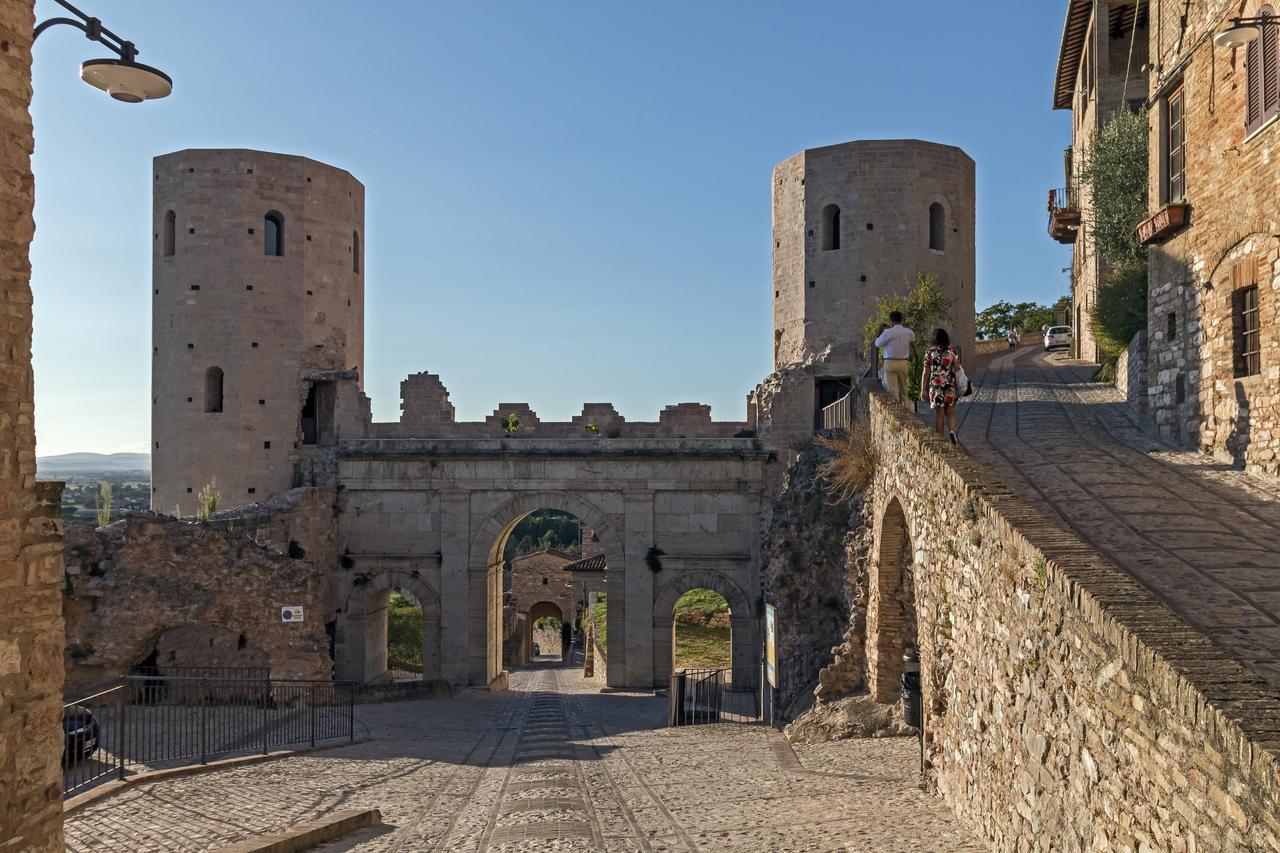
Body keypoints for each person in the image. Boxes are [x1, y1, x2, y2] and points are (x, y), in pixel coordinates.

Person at [920, 328, 960, 445]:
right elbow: (957, 368)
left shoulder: (930, 352)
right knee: (951, 411)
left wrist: (923, 389)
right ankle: (952, 431)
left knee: (940, 414)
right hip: (950, 385)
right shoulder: (952, 351)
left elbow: (925, 372)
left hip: (936, 386)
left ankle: (940, 442)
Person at [873, 310, 915, 405]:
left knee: (893, 392)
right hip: (904, 363)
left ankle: (898, 413)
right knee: (904, 390)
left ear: (891, 320)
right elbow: (913, 338)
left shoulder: (888, 332)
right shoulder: (908, 332)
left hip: (890, 363)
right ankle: (907, 410)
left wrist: (881, 332)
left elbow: (877, 343)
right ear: (901, 319)